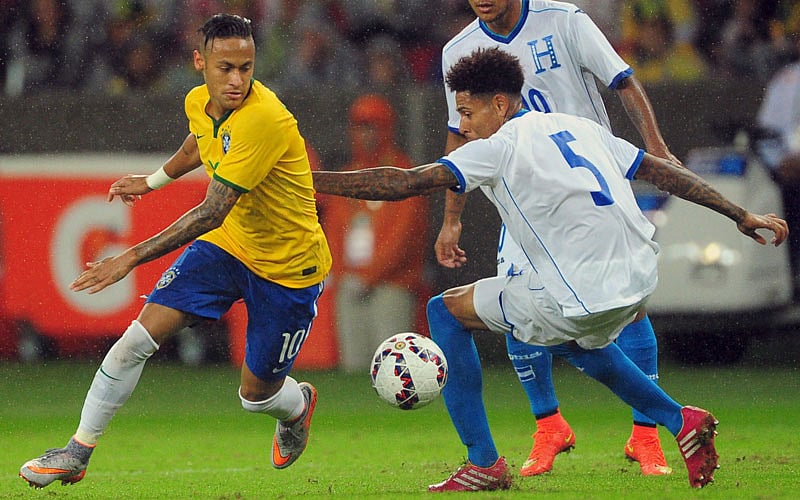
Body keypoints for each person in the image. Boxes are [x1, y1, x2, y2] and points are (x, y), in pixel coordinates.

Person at [311, 47, 788, 491]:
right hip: (639, 283)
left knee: (445, 312)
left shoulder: (495, 146)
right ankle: (681, 420)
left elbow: (404, 182)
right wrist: (740, 215)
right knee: (577, 341)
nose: (464, 127)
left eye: (469, 114)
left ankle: (483, 463)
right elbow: (662, 171)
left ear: (500, 105)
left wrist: (305, 179)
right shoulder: (580, 127)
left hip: (580, 294)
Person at [19, 14, 332, 489]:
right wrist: (151, 181)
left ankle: (297, 405)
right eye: (226, 67)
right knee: (135, 341)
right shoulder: (198, 101)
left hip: (289, 268)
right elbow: (197, 143)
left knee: (255, 396)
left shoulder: (264, 119)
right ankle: (77, 451)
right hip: (231, 247)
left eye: (246, 68)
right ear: (199, 62)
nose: (237, 80)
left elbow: (211, 212)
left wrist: (128, 258)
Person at [437, 0, 679, 477]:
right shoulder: (458, 51)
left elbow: (623, 81)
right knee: (514, 297)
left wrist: (658, 150)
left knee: (628, 307)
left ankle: (646, 434)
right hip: (526, 195)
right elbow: (457, 134)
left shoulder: (565, 21)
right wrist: (452, 217)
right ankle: (549, 424)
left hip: (590, 188)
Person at [323, 94, 429, 372]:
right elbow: (332, 232)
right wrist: (345, 273)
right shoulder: (347, 175)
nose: (366, 134)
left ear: (387, 128)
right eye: (360, 126)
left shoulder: (404, 176)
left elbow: (403, 240)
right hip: (349, 284)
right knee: (353, 367)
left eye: (372, 126)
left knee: (392, 368)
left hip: (391, 286)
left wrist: (369, 276)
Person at [756, 27, 800, 300]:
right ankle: (790, 277)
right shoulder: (787, 79)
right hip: (789, 173)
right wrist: (781, 162)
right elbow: (767, 133)